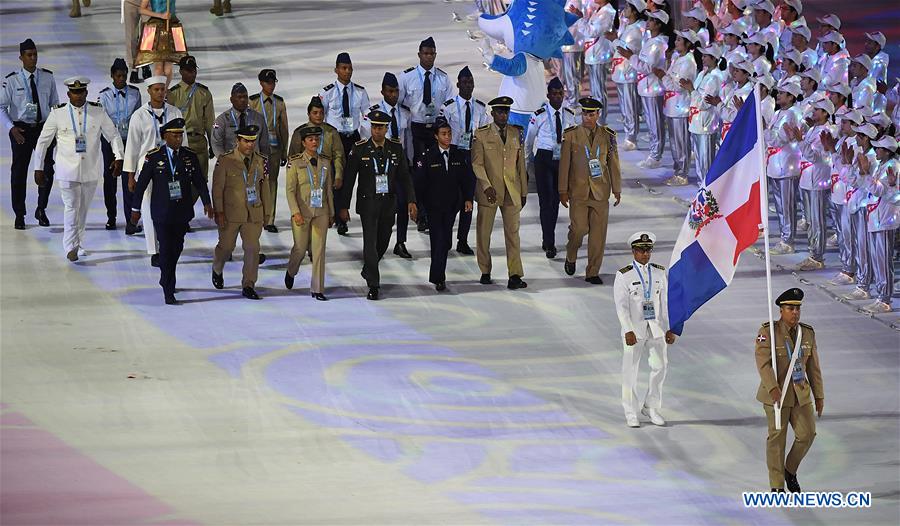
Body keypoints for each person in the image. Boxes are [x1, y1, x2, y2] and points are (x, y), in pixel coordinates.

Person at [33, 77, 123, 261]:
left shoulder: (98, 112)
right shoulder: (58, 114)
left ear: (86, 92)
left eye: (81, 91)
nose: (78, 95)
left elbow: (113, 135)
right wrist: (38, 167)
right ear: (68, 94)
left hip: (90, 170)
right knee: (71, 207)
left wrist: (119, 156)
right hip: (67, 170)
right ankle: (70, 246)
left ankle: (78, 243)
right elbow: (43, 141)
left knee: (83, 210)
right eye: (74, 92)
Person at [132, 118, 213, 304]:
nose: (178, 139)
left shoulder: (189, 156)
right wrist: (135, 209)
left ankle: (166, 276)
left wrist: (207, 203)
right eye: (175, 135)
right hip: (161, 213)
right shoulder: (154, 157)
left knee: (177, 248)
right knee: (166, 250)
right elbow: (141, 184)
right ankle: (169, 288)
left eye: (180, 135)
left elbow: (199, 182)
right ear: (165, 137)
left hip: (182, 212)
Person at [341, 110, 418, 300]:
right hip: (368, 203)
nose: (377, 131)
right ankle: (374, 284)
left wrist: (411, 200)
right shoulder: (359, 149)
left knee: (382, 242)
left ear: (386, 128)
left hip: (388, 203)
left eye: (381, 127)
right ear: (370, 128)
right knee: (370, 243)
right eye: (374, 127)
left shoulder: (395, 148)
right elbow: (349, 179)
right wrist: (343, 206)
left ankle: (368, 268)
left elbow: (404, 177)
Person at [754, 287, 824, 492]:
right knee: (777, 438)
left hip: (800, 393)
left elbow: (813, 367)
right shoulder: (768, 332)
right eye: (790, 308)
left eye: (797, 309)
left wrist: (819, 395)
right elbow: (762, 363)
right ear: (781, 310)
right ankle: (777, 485)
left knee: (807, 434)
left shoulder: (807, 333)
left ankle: (790, 470)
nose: (795, 312)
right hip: (776, 395)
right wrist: (773, 388)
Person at [613, 232, 676, 428]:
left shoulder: (659, 272)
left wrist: (670, 327)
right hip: (635, 330)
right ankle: (630, 411)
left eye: (648, 250)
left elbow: (665, 302)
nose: (645, 254)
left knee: (660, 366)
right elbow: (621, 306)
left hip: (656, 328)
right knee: (630, 371)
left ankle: (651, 406)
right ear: (633, 251)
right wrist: (627, 330)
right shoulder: (624, 275)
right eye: (641, 250)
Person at [559, 97, 622, 284]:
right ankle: (571, 253)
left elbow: (613, 164)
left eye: (591, 114)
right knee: (579, 229)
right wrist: (562, 190)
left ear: (598, 115)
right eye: (585, 113)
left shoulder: (608, 135)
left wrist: (617, 189)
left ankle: (592, 271)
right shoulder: (571, 135)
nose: (587, 117)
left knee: (598, 235)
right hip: (578, 191)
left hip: (600, 191)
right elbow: (564, 165)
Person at [124, 76, 183, 267]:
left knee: (171, 207)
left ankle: (167, 244)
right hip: (148, 167)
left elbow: (184, 144)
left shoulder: (175, 113)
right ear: (148, 91)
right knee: (149, 208)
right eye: (156, 89)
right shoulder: (139, 116)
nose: (159, 93)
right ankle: (154, 250)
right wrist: (131, 175)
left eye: (162, 89)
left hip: (171, 167)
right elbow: (132, 147)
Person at [0, 39, 59, 230]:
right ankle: (19, 213)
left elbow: (54, 105)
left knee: (47, 169)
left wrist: (55, 129)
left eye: (35, 54)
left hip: (43, 128)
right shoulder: (11, 80)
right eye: (29, 55)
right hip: (21, 130)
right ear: (21, 57)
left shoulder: (48, 78)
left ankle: (41, 209)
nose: (33, 58)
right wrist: (11, 127)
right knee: (19, 172)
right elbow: (1, 106)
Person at [472, 96, 528, 290]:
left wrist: (524, 192)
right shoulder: (481, 135)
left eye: (506, 111)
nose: (503, 115)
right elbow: (477, 164)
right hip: (490, 192)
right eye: (500, 111)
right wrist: (486, 186)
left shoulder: (516, 133)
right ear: (492, 113)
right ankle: (485, 270)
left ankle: (514, 275)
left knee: (513, 234)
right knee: (484, 233)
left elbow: (521, 165)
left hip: (512, 192)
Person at [211, 125, 272, 300]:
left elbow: (265, 188)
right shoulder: (225, 160)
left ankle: (248, 284)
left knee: (252, 249)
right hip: (231, 214)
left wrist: (267, 214)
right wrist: (219, 212)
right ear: (238, 141)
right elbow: (217, 189)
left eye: (253, 141)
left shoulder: (261, 161)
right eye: (246, 141)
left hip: (254, 213)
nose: (250, 145)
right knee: (226, 247)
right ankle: (217, 268)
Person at [399, 36, 453, 233]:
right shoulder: (407, 77)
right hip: (416, 130)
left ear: (435, 55)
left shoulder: (443, 78)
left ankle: (433, 212)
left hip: (435, 131)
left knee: (436, 174)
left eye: (432, 53)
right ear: (419, 54)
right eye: (425, 53)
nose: (429, 57)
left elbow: (448, 104)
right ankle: (421, 215)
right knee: (419, 173)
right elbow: (401, 104)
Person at [414, 118, 475, 291]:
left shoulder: (458, 154)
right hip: (433, 207)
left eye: (449, 133)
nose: (447, 137)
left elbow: (466, 180)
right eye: (443, 134)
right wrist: (420, 208)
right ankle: (438, 277)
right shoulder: (427, 156)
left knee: (445, 241)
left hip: (451, 206)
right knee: (439, 240)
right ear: (436, 136)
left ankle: (438, 270)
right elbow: (419, 184)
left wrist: (468, 198)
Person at [360, 73, 414, 258]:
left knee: (402, 203)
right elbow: (365, 137)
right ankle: (375, 241)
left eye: (396, 91)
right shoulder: (372, 113)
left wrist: (410, 160)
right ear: (382, 91)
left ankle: (401, 242)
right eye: (390, 91)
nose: (394, 94)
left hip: (399, 164)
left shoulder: (405, 112)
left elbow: (408, 139)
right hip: (380, 166)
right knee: (380, 206)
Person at [438, 66, 489, 255]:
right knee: (452, 199)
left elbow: (484, 133)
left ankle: (463, 240)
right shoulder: (448, 106)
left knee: (468, 200)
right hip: (454, 156)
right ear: (458, 84)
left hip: (472, 156)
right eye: (464, 82)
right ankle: (446, 239)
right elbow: (441, 130)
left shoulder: (481, 108)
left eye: (470, 82)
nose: (468, 85)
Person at [524, 78, 577, 259]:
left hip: (562, 161)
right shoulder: (539, 115)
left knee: (556, 201)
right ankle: (549, 242)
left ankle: (548, 238)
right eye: (554, 94)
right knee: (546, 202)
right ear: (548, 95)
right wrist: (527, 165)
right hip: (544, 159)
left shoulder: (570, 115)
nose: (557, 97)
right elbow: (529, 141)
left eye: (560, 93)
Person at [319, 52, 370, 236]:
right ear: (336, 70)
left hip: (353, 138)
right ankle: (335, 213)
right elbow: (320, 118)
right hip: (335, 139)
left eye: (349, 68)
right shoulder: (327, 93)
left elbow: (367, 116)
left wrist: (364, 139)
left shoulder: (360, 92)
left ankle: (342, 214)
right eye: (343, 68)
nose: (347, 72)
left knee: (349, 178)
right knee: (335, 177)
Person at [284, 126, 333, 301]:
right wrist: (295, 212)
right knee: (300, 248)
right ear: (303, 142)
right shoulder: (295, 162)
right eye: (310, 139)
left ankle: (317, 288)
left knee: (319, 250)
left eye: (316, 139)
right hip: (302, 212)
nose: (314, 142)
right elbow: (290, 191)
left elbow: (328, 190)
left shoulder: (326, 162)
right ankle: (291, 270)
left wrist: (332, 212)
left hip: (321, 211)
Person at [789, 98, 836, 271]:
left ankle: (818, 256)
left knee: (817, 221)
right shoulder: (813, 129)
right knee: (810, 220)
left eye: (817, 110)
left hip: (817, 181)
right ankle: (812, 253)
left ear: (825, 113)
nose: (813, 112)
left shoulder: (827, 132)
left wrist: (801, 140)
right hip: (807, 180)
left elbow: (814, 156)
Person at [98, 58, 142, 232]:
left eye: (124, 75)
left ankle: (130, 222)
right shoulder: (103, 95)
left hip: (128, 141)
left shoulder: (135, 93)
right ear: (112, 76)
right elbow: (102, 120)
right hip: (110, 141)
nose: (122, 79)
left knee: (128, 180)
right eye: (118, 76)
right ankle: (111, 217)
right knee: (109, 180)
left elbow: (138, 118)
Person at [167, 55, 215, 208]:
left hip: (199, 140)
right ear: (181, 72)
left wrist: (213, 144)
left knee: (201, 179)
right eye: (188, 71)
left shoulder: (204, 93)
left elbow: (209, 121)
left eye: (194, 70)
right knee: (180, 179)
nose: (192, 74)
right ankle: (182, 211)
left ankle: (186, 208)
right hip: (180, 141)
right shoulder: (172, 94)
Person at [622, 9, 668, 169]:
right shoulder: (651, 40)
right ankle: (654, 152)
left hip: (653, 89)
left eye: (651, 20)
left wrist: (630, 57)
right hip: (646, 87)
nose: (647, 22)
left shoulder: (659, 43)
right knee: (651, 122)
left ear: (659, 24)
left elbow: (647, 66)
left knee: (656, 123)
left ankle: (656, 155)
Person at [859, 136, 898, 313]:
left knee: (884, 260)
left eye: (880, 149)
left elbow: (879, 190)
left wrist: (866, 173)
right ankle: (880, 295)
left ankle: (885, 298)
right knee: (877, 258)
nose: (876, 151)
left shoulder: (893, 166)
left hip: (885, 219)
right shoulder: (881, 165)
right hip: (876, 217)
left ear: (888, 151)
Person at [766, 81, 804, 255]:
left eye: (783, 93)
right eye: (778, 92)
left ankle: (788, 240)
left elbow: (778, 139)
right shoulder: (778, 112)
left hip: (786, 166)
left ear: (791, 97)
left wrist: (764, 130)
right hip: (775, 164)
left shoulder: (792, 114)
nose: (778, 95)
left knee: (787, 205)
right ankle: (784, 237)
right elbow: (772, 137)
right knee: (780, 205)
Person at [249, 69, 289, 233]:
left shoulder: (279, 103)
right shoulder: (253, 102)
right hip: (257, 149)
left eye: (273, 82)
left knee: (272, 182)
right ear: (261, 83)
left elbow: (284, 128)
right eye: (268, 82)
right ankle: (257, 214)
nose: (271, 86)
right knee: (256, 182)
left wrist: (284, 151)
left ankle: (270, 219)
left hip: (274, 149)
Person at [661, 30, 700, 186]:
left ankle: (682, 174)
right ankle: (677, 171)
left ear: (687, 43)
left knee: (681, 142)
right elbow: (670, 78)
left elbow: (677, 86)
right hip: (671, 106)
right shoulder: (677, 58)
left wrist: (662, 77)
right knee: (674, 142)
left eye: (678, 40)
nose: (675, 42)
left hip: (680, 107)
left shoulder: (689, 62)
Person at [288, 96, 345, 189]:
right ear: (308, 114)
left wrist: (338, 176)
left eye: (321, 113)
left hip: (327, 174)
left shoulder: (331, 132)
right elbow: (292, 157)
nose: (318, 116)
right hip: (305, 175)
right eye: (315, 113)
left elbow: (338, 155)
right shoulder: (299, 132)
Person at [611, 0, 645, 152]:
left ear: (635, 11)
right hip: (620, 72)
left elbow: (625, 49)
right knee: (625, 107)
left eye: (627, 8)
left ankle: (631, 137)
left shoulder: (636, 30)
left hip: (628, 73)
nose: (624, 10)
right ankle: (628, 134)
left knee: (630, 107)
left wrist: (614, 40)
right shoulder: (628, 27)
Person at [211, 82, 270, 158]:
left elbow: (264, 144)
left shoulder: (258, 118)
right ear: (231, 99)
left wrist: (263, 161)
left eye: (245, 97)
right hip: (231, 164)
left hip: (254, 163)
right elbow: (216, 144)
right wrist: (225, 161)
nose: (243, 100)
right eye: (239, 97)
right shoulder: (222, 120)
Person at [583, 0, 617, 126]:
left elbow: (593, 32)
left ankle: (601, 120)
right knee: (595, 89)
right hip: (592, 54)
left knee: (599, 90)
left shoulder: (607, 12)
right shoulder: (598, 10)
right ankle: (596, 118)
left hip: (599, 54)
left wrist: (581, 20)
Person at [137, 0, 188, 83]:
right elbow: (141, 9)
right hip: (156, 27)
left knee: (168, 68)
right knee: (158, 67)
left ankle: (164, 92)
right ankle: (159, 92)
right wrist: (160, 15)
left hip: (171, 25)